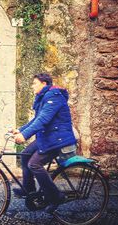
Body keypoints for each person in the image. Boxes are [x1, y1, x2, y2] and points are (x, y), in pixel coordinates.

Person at [13, 73, 77, 213]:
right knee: (25, 154)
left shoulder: (53, 97)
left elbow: (43, 120)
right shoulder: (43, 97)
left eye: (35, 83)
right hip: (48, 137)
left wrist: (24, 135)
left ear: (44, 84)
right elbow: (36, 119)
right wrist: (20, 130)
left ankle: (56, 196)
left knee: (34, 164)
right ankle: (29, 190)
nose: (32, 86)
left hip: (57, 139)